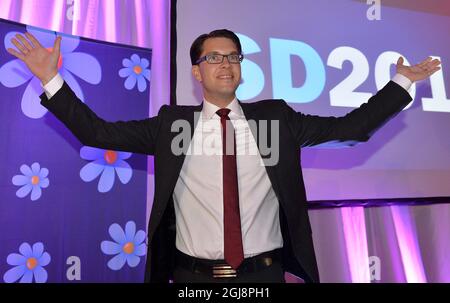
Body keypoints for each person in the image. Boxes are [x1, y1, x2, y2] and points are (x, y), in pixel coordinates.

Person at [7, 29, 441, 283]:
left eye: (233, 57)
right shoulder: (172, 125)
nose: (225, 64)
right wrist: (51, 78)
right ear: (196, 71)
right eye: (213, 57)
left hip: (263, 276)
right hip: (193, 278)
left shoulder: (276, 119)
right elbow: (94, 131)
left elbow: (352, 129)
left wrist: (402, 82)